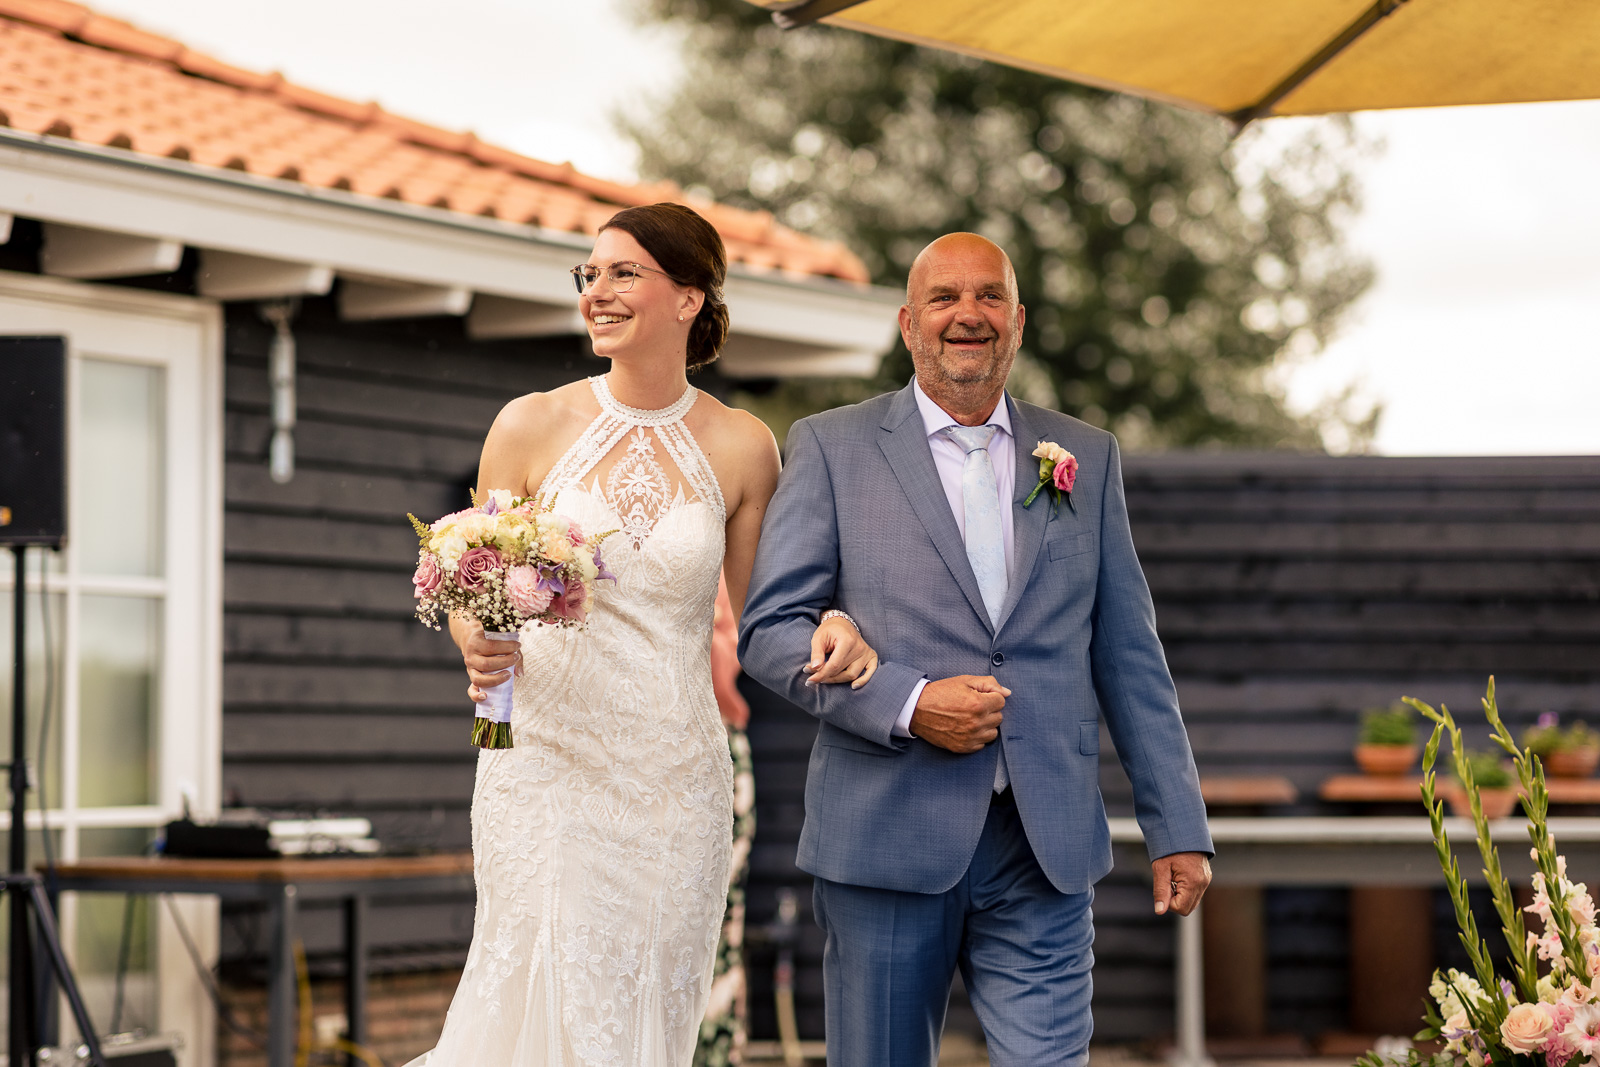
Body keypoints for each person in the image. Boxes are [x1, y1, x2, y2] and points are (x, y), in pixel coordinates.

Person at [408, 203, 876, 1066]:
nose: (597, 292)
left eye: (623, 273)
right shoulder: (529, 423)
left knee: (644, 1022)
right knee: (537, 999)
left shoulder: (742, 446)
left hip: (675, 782)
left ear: (690, 296)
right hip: (541, 764)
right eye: (588, 274)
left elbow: (770, 615)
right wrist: (473, 640)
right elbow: (471, 575)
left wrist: (838, 624)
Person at [738, 232, 1214, 1067]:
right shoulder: (830, 446)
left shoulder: (1087, 457)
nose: (969, 314)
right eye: (944, 298)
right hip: (884, 837)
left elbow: (1129, 652)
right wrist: (912, 705)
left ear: (1018, 321)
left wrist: (1177, 820)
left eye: (989, 296)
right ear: (908, 323)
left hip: (1045, 841)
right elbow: (771, 631)